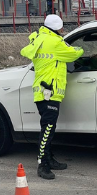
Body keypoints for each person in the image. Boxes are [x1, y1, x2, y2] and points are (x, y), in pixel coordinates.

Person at [20, 14, 84, 180]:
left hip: (42, 91)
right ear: (57, 27)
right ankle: (42, 164)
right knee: (48, 128)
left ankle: (49, 157)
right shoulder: (55, 42)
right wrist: (81, 49)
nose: (63, 30)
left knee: (49, 127)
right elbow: (73, 54)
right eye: (62, 27)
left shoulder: (39, 39)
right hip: (50, 91)